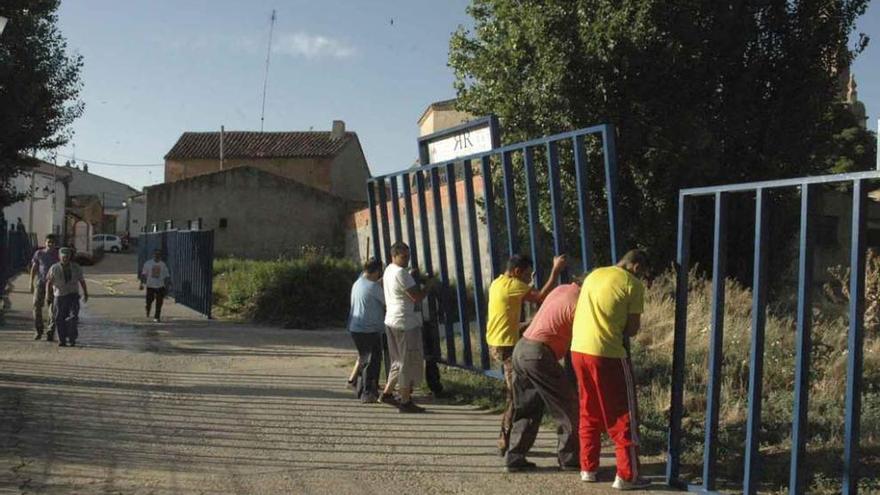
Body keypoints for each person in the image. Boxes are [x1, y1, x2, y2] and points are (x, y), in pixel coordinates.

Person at [571, 249, 650, 490]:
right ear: (636, 267)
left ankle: (588, 468)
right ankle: (627, 476)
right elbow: (633, 329)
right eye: (643, 272)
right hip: (607, 354)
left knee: (588, 409)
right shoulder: (632, 284)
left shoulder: (594, 275)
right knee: (623, 414)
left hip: (578, 350)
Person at [486, 254, 567, 455]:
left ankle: (508, 440)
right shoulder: (514, 285)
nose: (527, 281)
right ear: (516, 272)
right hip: (506, 345)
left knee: (515, 393)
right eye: (526, 276)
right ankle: (506, 442)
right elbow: (540, 297)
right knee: (515, 396)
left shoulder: (498, 282)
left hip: (497, 341)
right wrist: (555, 270)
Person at [505, 279, 582, 472]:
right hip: (539, 354)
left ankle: (514, 456)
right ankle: (569, 458)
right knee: (568, 406)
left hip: (521, 348)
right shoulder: (579, 302)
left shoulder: (562, 289)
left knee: (526, 408)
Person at [378, 242, 432, 413]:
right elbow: (416, 297)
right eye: (403, 257)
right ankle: (405, 401)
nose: (407, 260)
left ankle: (387, 393)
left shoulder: (389, 270)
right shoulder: (402, 273)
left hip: (391, 320)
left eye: (408, 256)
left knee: (397, 360)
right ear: (394, 256)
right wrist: (428, 286)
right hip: (405, 323)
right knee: (406, 362)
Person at [346, 257, 385, 403]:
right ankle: (367, 393)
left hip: (356, 327)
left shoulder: (358, 283)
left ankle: (362, 389)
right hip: (369, 329)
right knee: (372, 361)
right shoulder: (374, 287)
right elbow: (387, 301)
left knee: (364, 358)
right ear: (377, 271)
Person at [46, 247, 88, 347]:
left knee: (73, 317)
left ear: (70, 257)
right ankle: (62, 339)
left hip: (73, 295)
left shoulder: (76, 267)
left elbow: (82, 281)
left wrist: (85, 293)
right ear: (59, 257)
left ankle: (72, 338)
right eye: (63, 256)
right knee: (59, 318)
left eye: (67, 256)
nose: (65, 258)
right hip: (59, 296)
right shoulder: (54, 268)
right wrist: (48, 295)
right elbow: (49, 282)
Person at [30, 234, 60, 341]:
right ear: (45, 242)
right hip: (40, 283)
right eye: (48, 242)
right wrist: (31, 283)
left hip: (54, 285)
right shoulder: (39, 253)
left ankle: (50, 332)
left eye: (52, 242)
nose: (50, 244)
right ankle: (38, 330)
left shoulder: (58, 255)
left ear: (55, 244)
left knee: (53, 308)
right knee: (36, 306)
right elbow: (34, 268)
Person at [140, 249, 172, 322]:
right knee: (149, 301)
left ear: (160, 256)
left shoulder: (163, 265)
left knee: (159, 303)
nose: (157, 256)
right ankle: (148, 308)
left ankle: (157, 317)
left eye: (159, 254)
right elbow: (143, 274)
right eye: (156, 254)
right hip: (150, 286)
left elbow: (167, 275)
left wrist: (169, 283)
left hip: (160, 286)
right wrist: (141, 284)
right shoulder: (148, 263)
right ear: (153, 255)